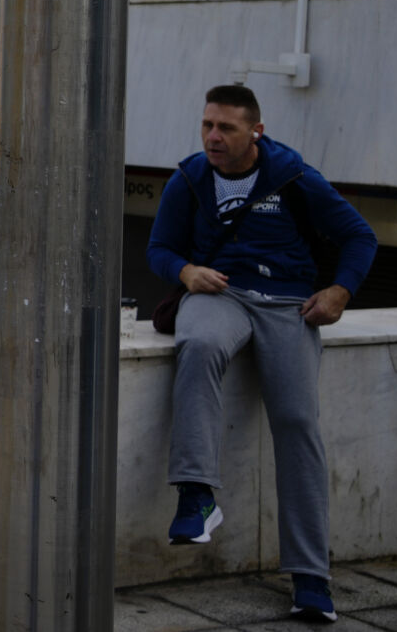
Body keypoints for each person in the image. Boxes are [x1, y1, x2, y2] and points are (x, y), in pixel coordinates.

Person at [147, 84, 377, 624]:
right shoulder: (189, 179)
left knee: (298, 423)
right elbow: (158, 247)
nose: (212, 137)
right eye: (207, 125)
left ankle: (311, 577)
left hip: (289, 305)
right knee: (198, 343)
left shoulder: (295, 177)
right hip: (218, 293)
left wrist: (340, 292)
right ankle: (197, 495)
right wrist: (185, 272)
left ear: (256, 131)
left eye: (225, 127)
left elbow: (360, 237)